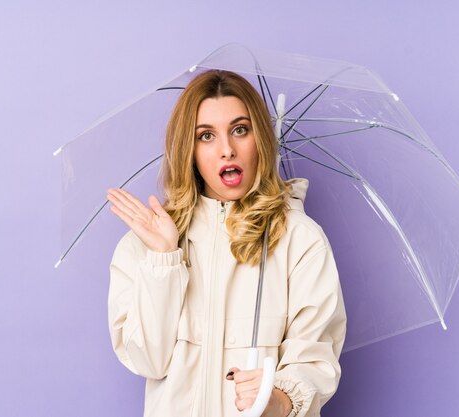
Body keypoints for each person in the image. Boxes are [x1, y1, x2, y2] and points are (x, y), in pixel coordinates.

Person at [106, 69, 346, 417]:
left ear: (260, 138)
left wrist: (278, 399)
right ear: (188, 149)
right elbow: (148, 360)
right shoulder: (145, 244)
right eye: (206, 136)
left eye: (240, 130)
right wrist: (164, 259)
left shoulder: (301, 239)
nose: (227, 150)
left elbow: (316, 356)